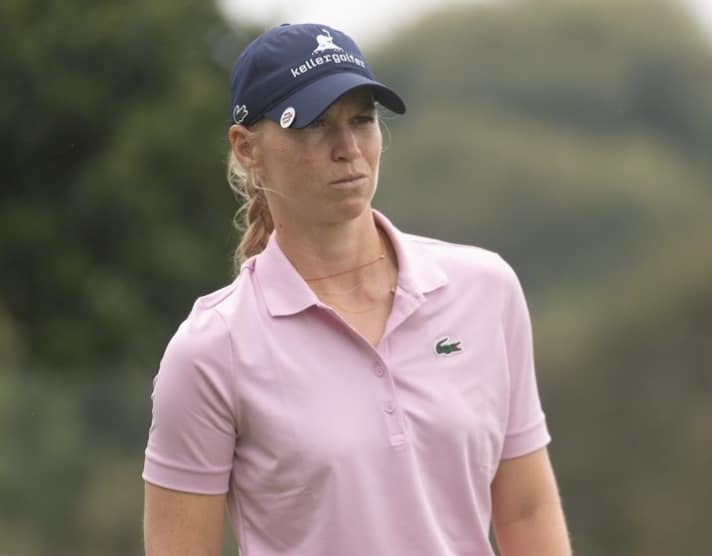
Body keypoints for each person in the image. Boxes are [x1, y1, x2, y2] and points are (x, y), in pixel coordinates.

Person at [142, 22, 571, 556]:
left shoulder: (486, 290)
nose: (347, 148)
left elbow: (527, 511)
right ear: (247, 148)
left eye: (362, 120)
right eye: (314, 124)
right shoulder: (212, 350)